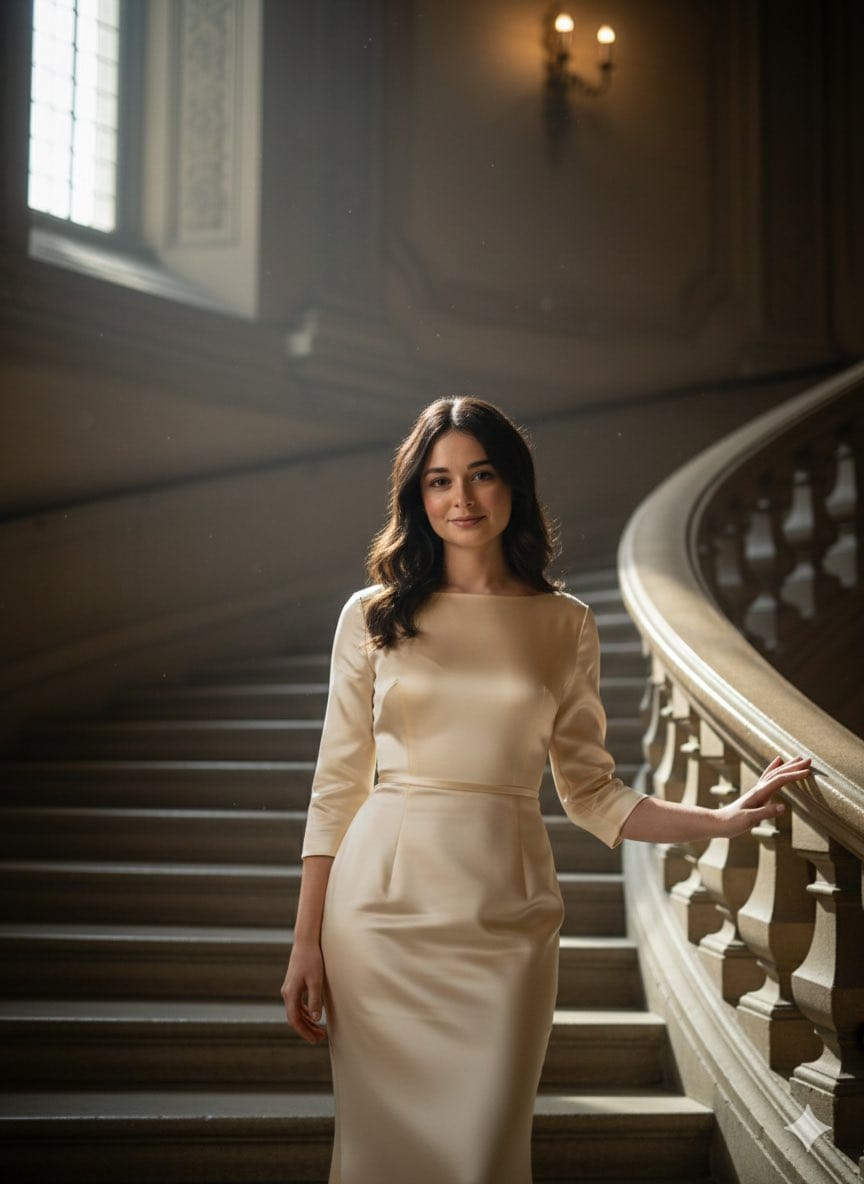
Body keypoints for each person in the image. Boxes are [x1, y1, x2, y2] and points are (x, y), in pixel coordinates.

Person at [280, 395, 811, 1184]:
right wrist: (305, 941)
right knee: (381, 1157)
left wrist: (718, 819)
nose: (460, 499)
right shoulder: (373, 616)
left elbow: (591, 792)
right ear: (415, 497)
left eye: (481, 474)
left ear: (514, 485)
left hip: (508, 918)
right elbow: (336, 787)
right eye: (438, 481)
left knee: (487, 1153)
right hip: (380, 919)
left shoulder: (566, 624)